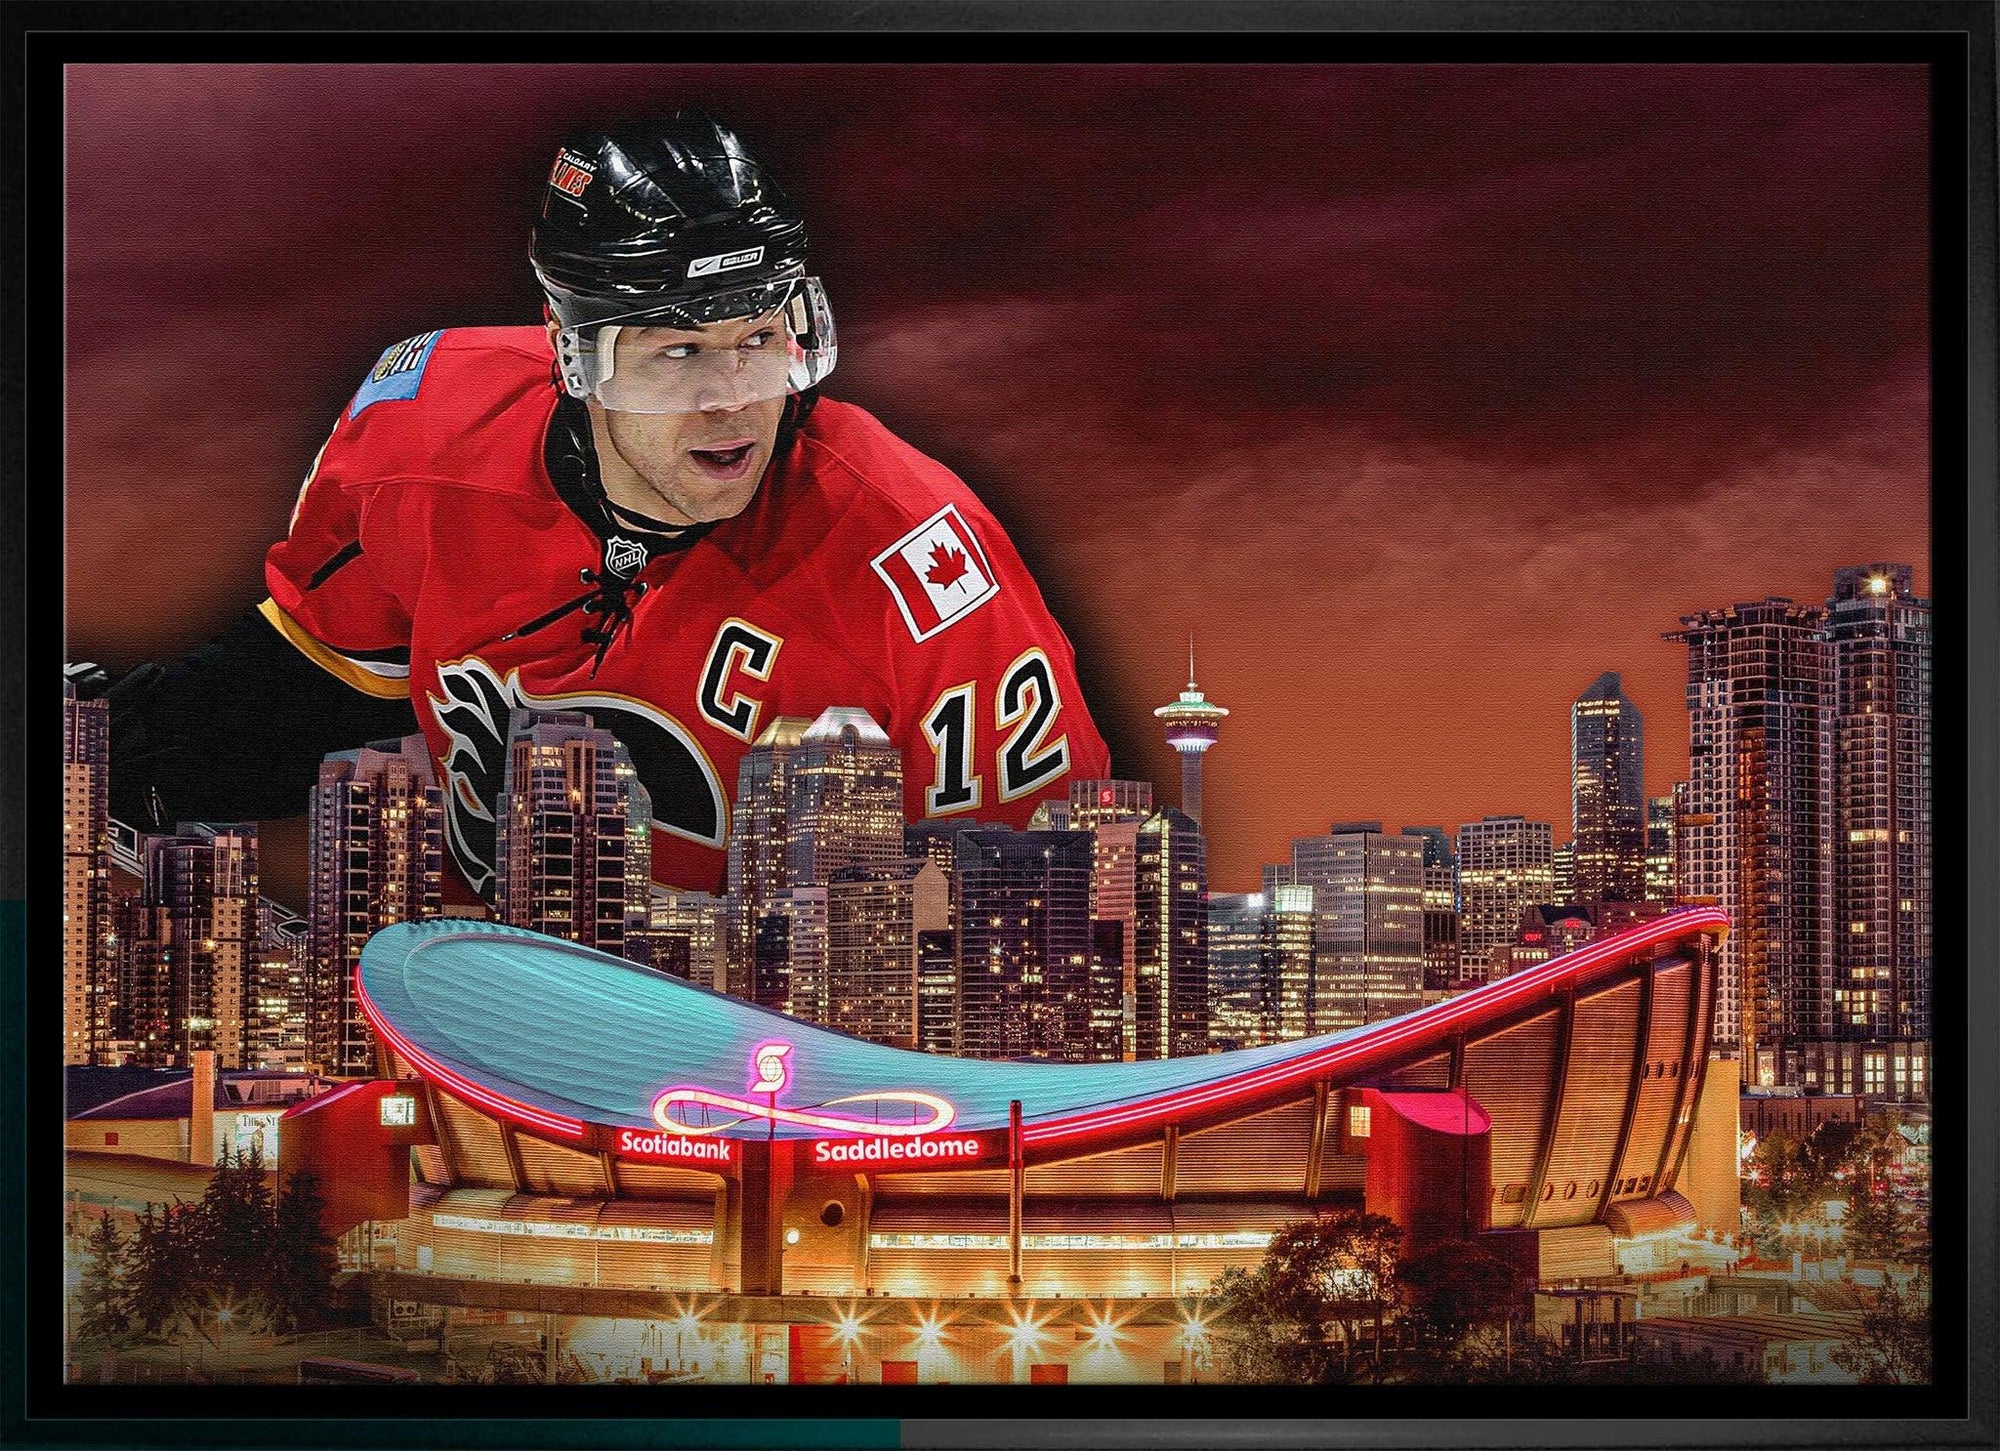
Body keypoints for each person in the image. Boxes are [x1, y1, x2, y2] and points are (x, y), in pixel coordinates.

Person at [90, 112, 1109, 897]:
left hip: (788, 1063)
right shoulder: (424, 437)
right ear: (572, 353)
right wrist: (120, 742)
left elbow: (1044, 888)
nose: (729, 397)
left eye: (759, 338)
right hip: (500, 1032)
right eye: (675, 351)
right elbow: (318, 689)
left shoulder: (917, 554)